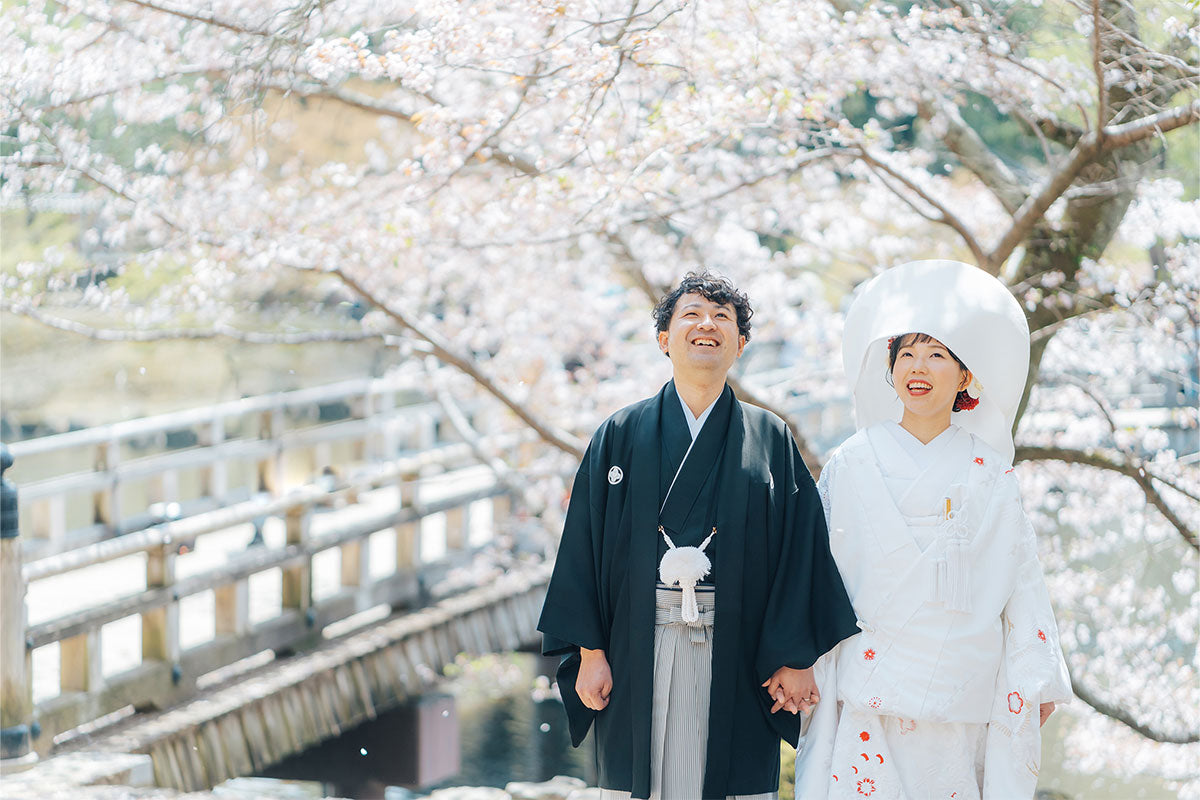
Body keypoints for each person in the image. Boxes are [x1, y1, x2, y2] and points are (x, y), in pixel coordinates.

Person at [538, 272, 859, 800]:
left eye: (722, 318)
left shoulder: (770, 436)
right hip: (635, 646)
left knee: (731, 778)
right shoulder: (620, 433)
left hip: (740, 647)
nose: (706, 325)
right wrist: (591, 652)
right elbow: (582, 547)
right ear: (664, 339)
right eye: (690, 314)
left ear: (740, 343)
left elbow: (802, 550)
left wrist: (796, 656)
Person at [794, 260, 1073, 800]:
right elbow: (815, 571)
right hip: (868, 685)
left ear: (966, 376)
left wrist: (1035, 674)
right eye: (907, 355)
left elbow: (1022, 579)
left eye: (937, 355)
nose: (918, 368)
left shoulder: (990, 472)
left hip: (958, 690)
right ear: (891, 369)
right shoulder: (850, 463)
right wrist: (798, 655)